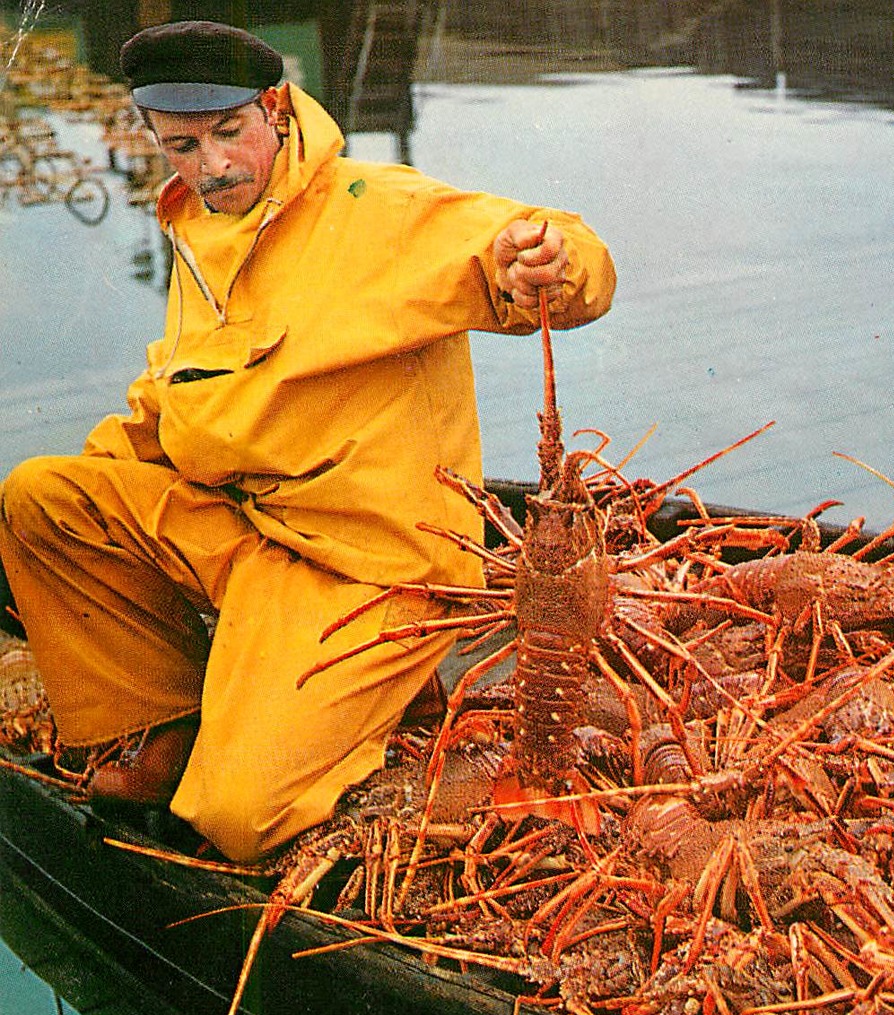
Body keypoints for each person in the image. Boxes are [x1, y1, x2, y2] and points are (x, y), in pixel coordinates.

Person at [0, 21, 616, 863]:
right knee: (40, 497)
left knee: (238, 816)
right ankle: (165, 727)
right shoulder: (199, 228)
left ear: (277, 108)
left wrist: (544, 261)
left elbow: (559, 256)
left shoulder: (378, 208)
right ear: (152, 137)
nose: (213, 164)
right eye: (183, 143)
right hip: (253, 533)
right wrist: (82, 507)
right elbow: (171, 403)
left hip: (374, 569)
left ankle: (379, 699)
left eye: (229, 133)